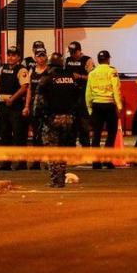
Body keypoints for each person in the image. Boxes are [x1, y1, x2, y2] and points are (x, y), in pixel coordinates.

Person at [34, 52, 79, 187]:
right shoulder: (70, 78)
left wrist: (38, 116)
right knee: (63, 148)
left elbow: (39, 101)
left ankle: (56, 180)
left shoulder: (47, 78)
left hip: (52, 118)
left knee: (52, 150)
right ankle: (61, 177)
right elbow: (77, 97)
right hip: (68, 118)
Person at [0, 46, 30, 170]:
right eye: (9, 55)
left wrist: (12, 99)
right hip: (3, 105)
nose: (11, 57)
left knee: (18, 135)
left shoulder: (22, 70)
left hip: (16, 106)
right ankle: (5, 163)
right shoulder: (3, 68)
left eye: (13, 55)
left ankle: (21, 163)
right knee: (4, 134)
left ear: (18, 57)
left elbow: (24, 87)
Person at [85, 50, 122, 169]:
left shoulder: (92, 73)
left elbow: (88, 92)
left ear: (98, 60)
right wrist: (119, 106)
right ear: (108, 59)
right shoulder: (112, 71)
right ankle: (107, 160)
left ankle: (96, 162)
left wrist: (89, 108)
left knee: (96, 133)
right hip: (109, 104)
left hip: (96, 105)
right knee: (111, 132)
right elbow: (116, 89)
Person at [23, 47, 50, 168]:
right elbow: (29, 90)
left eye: (43, 55)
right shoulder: (32, 71)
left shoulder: (50, 71)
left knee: (47, 134)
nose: (41, 58)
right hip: (35, 107)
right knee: (36, 134)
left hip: (46, 107)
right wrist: (26, 106)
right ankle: (36, 161)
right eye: (39, 56)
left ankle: (48, 161)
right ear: (35, 58)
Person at [65, 41, 95, 149]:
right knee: (71, 123)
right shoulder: (67, 60)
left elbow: (93, 77)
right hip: (70, 95)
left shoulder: (87, 60)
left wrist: (80, 77)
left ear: (79, 51)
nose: (72, 55)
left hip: (83, 95)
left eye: (74, 52)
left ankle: (85, 146)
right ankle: (71, 147)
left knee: (83, 123)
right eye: (70, 52)